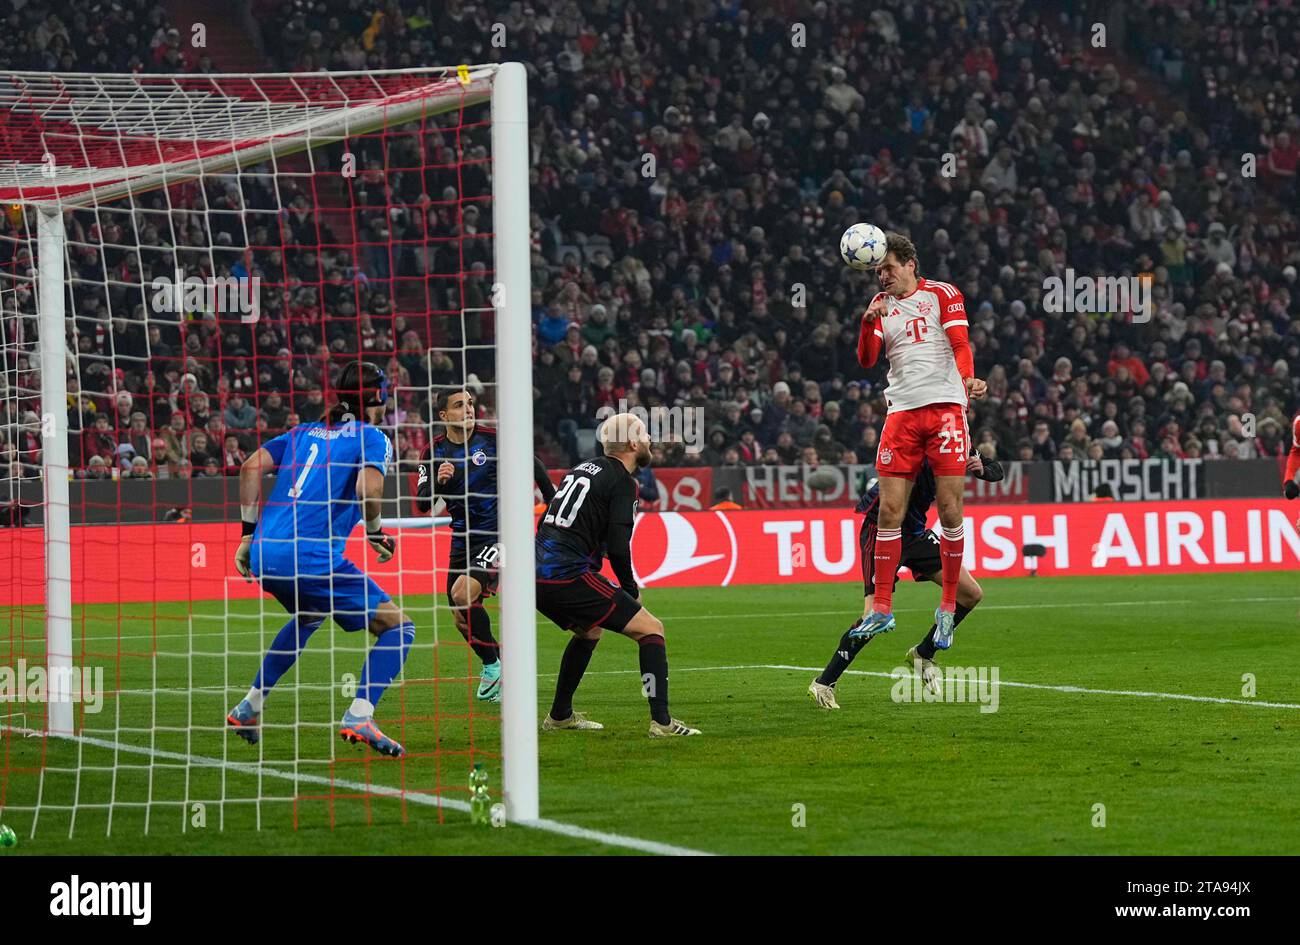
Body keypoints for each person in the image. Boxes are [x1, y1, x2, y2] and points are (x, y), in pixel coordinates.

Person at [227, 362, 411, 757]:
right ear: (377, 395)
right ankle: (360, 715)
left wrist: (246, 536)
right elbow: (367, 489)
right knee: (399, 628)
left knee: (309, 615)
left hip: (264, 551)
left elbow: (249, 466)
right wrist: (375, 531)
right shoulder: (372, 437)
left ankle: (249, 706)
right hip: (310, 555)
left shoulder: (301, 432)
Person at [853, 232, 987, 648]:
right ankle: (881, 609)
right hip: (901, 415)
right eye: (877, 271)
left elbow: (959, 342)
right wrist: (867, 322)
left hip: (946, 409)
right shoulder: (882, 308)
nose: (883, 276)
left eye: (889, 268)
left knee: (949, 509)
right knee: (889, 510)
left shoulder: (943, 293)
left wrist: (966, 378)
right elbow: (867, 360)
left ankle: (947, 608)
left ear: (911, 264)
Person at [535, 413, 700, 737]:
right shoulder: (623, 481)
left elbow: (550, 521)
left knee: (590, 632)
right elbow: (619, 547)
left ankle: (560, 716)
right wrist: (630, 588)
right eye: (644, 434)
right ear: (633, 443)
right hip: (566, 573)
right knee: (651, 629)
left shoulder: (582, 469)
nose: (650, 440)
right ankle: (662, 722)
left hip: (537, 572)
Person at [810, 450, 1003, 708]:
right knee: (872, 616)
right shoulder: (910, 441)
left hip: (915, 535)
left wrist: (982, 469)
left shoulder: (953, 440)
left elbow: (996, 471)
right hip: (881, 533)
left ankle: (923, 654)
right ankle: (824, 683)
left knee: (970, 594)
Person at [415, 389, 556, 702]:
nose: (467, 409)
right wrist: (438, 481)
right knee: (460, 617)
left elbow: (531, 462)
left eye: (469, 403)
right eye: (458, 405)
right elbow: (422, 502)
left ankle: (497, 669)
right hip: (462, 539)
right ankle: (498, 666)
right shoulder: (433, 452)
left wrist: (551, 501)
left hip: (500, 534)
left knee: (462, 593)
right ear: (442, 416)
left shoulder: (493, 438)